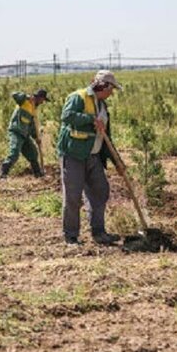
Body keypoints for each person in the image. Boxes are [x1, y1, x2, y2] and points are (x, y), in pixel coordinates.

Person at [57, 70, 123, 245]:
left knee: (100, 192)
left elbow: (107, 137)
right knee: (73, 196)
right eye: (111, 89)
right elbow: (67, 116)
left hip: (94, 157)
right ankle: (71, 236)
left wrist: (118, 162)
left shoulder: (103, 106)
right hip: (73, 155)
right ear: (104, 86)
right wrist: (90, 119)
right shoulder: (78, 97)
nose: (112, 93)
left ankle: (99, 232)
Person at [0, 89, 49, 179]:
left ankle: (38, 174)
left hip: (25, 135)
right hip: (16, 132)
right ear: (38, 97)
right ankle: (3, 172)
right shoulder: (24, 101)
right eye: (43, 99)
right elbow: (14, 94)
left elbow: (32, 126)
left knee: (33, 153)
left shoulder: (34, 109)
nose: (43, 102)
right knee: (14, 152)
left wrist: (36, 137)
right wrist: (27, 97)